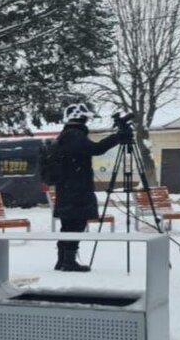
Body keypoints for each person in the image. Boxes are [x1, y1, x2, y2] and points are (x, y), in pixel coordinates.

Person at [52, 103, 131, 272]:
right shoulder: (74, 135)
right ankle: (68, 262)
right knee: (76, 225)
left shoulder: (66, 135)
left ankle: (63, 260)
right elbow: (96, 149)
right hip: (76, 191)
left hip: (67, 189)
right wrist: (118, 137)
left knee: (69, 225)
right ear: (82, 118)